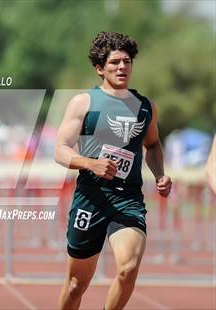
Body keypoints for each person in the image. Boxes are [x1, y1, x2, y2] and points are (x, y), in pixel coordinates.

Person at [54, 31, 172, 309]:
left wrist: (160, 175)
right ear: (99, 68)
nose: (122, 67)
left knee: (127, 268)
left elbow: (153, 145)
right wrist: (89, 163)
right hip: (91, 198)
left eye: (127, 62)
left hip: (128, 199)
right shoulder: (84, 103)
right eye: (115, 62)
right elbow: (60, 149)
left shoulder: (145, 106)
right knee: (75, 285)